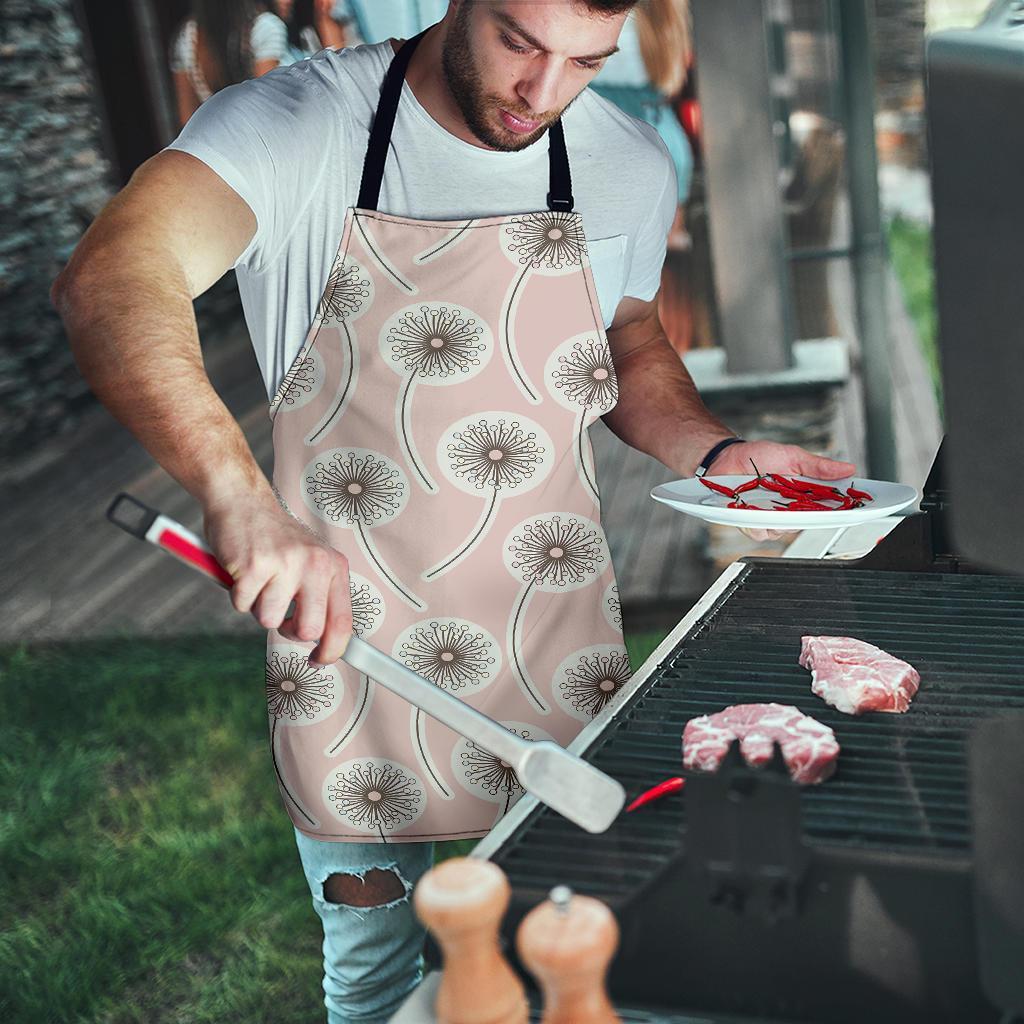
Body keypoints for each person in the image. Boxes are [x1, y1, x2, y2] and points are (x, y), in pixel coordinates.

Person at [53, 2, 856, 1020]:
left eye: (585, 61)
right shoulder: (298, 125)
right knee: (377, 976)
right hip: (347, 649)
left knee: (579, 949)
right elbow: (112, 275)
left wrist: (718, 450)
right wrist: (237, 497)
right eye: (521, 42)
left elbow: (629, 335)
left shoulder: (624, 161)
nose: (543, 92)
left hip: (551, 631)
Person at [170, 0, 289, 128]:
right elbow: (268, 107)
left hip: (217, 141)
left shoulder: (187, 36)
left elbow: (187, 119)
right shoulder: (265, 27)